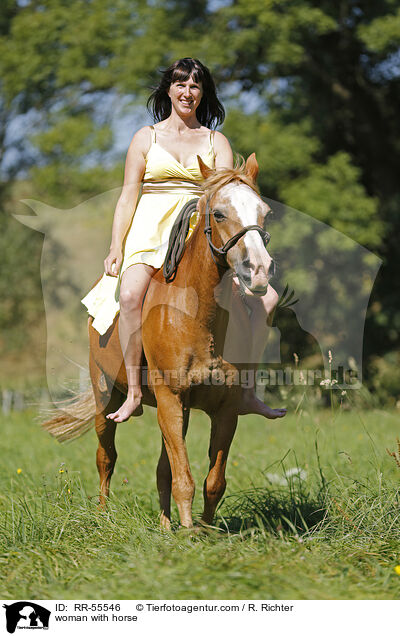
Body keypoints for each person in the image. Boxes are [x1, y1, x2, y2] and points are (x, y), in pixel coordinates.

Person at [81, 57, 286, 422]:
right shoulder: (146, 137)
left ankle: (247, 390)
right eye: (180, 84)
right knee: (129, 296)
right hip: (149, 228)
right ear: (168, 90)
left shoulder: (215, 140)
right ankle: (132, 391)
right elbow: (129, 195)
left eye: (195, 86)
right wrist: (117, 245)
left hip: (200, 230)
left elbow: (230, 196)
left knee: (266, 299)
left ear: (202, 93)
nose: (187, 92)